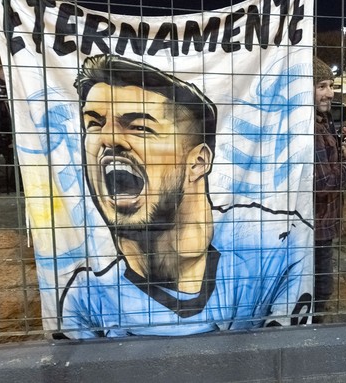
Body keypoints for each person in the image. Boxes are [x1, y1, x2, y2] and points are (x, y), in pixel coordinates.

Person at [60, 54, 312, 337]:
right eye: (94, 124)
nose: (108, 138)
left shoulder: (275, 245)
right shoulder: (85, 300)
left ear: (198, 162)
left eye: (140, 126)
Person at [313, 57, 346, 322]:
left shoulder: (320, 122)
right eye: (321, 86)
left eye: (330, 85)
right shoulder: (312, 128)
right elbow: (323, 183)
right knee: (321, 288)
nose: (330, 93)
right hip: (317, 224)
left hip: (321, 221)